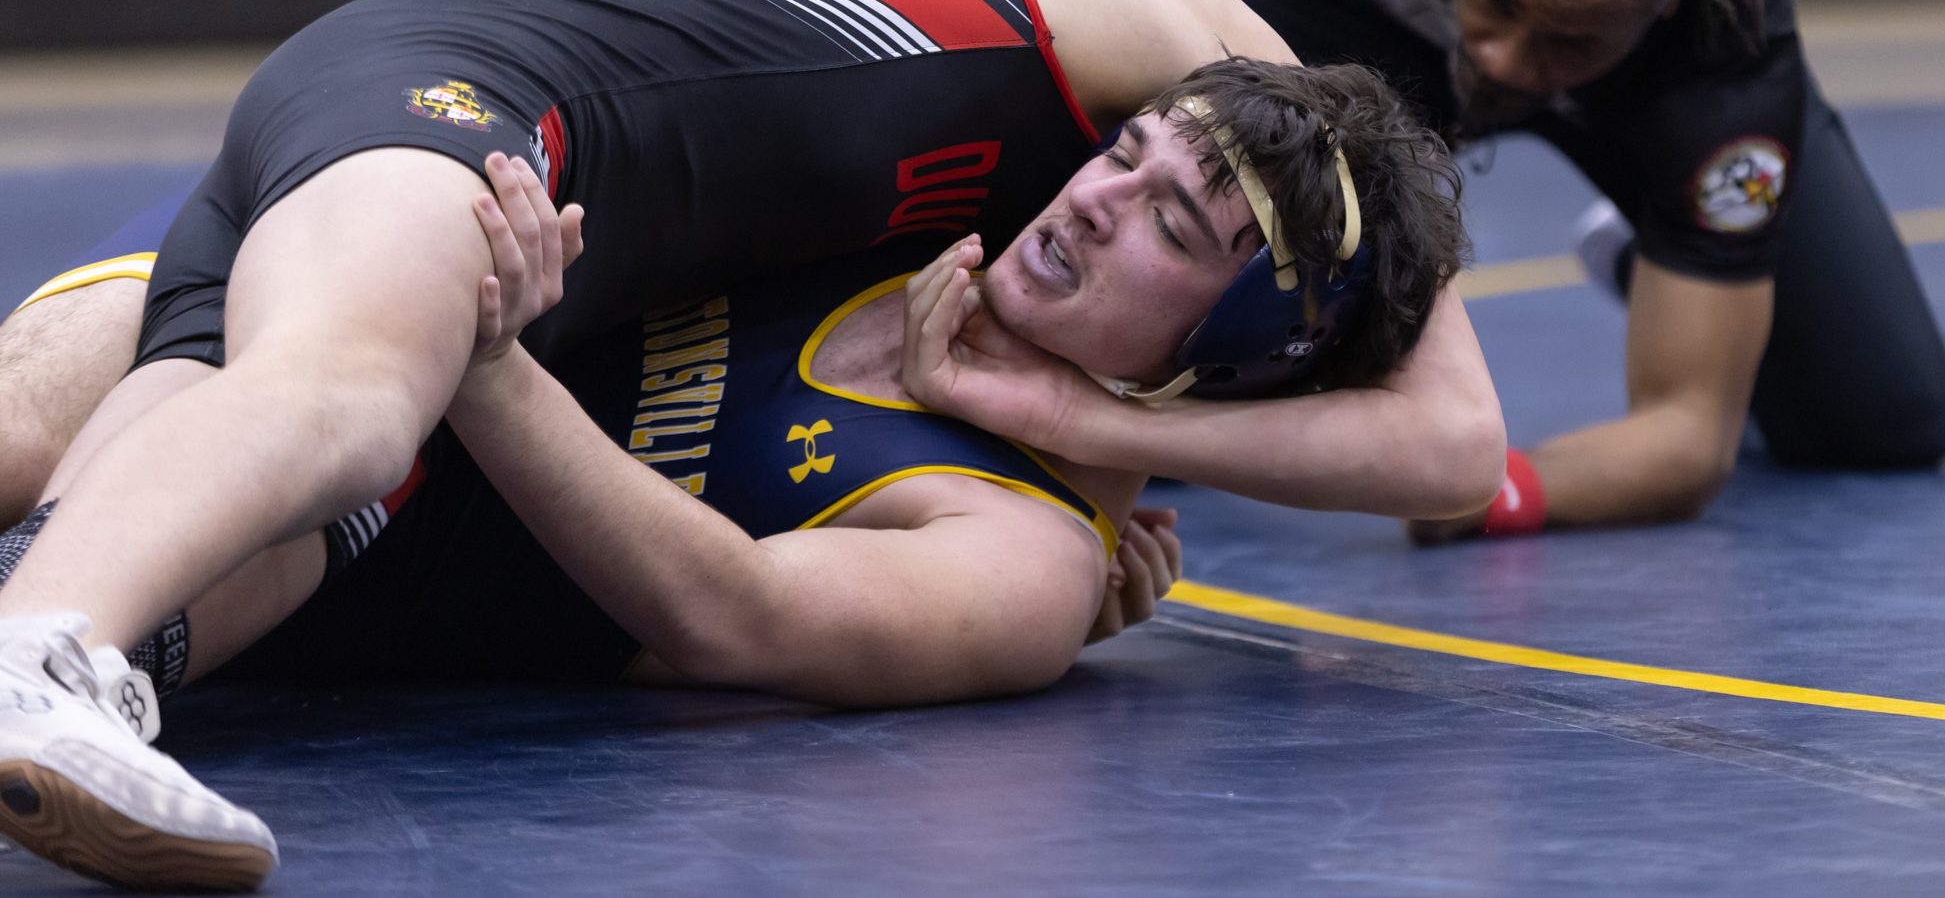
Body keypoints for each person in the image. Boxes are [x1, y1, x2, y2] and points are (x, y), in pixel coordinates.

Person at [0, 56, 1496, 890]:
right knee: (63, 405)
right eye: (1127, 154)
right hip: (319, 328)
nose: (1099, 204)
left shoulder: (1026, 559)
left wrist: (493, 362)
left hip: (369, 538)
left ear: (1233, 352)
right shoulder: (942, 187)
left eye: (1176, 228)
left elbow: (726, 610)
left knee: (312, 477)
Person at [1021, 0, 1945, 541]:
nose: (1507, 57)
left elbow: (1686, 438)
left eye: (1571, 35)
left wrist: (1491, 492)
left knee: (1892, 419)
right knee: (1159, 261)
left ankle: (1664, 245)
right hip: (1321, 56)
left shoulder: (1727, 44)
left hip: (1643, 111)